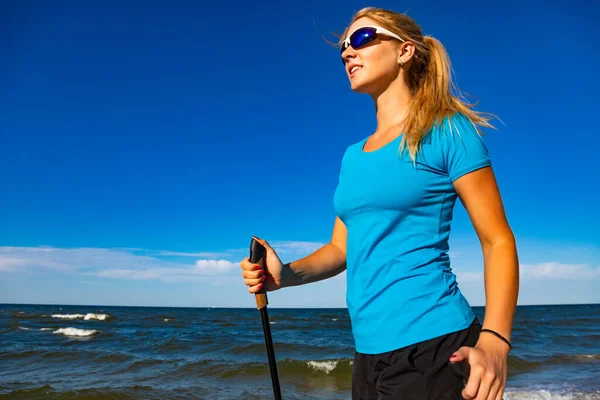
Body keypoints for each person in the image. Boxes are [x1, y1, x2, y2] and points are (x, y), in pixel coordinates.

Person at [240, 6, 519, 400]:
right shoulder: (353, 156)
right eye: (342, 47)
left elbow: (497, 240)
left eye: (361, 39)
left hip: (434, 345)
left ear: (405, 51)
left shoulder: (447, 130)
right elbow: (341, 249)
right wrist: (283, 274)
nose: (347, 53)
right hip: (368, 354)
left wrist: (495, 340)